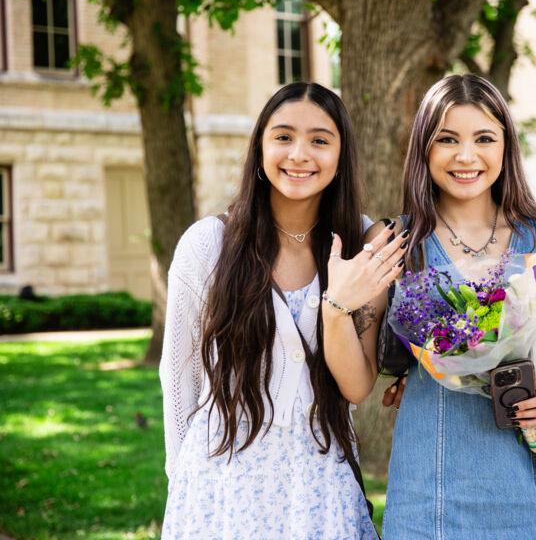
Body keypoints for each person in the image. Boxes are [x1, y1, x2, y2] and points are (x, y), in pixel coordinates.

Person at [159, 82, 406, 539]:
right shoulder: (207, 245)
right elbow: (181, 378)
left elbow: (356, 386)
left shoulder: (365, 244)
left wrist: (336, 306)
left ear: (341, 154)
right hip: (222, 483)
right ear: (260, 148)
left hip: (318, 482)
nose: (299, 154)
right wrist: (185, 485)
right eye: (283, 136)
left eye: (320, 140)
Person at [380, 74, 536, 539]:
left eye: (484, 138)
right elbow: (370, 362)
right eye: (447, 139)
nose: (466, 156)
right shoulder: (394, 244)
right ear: (423, 150)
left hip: (526, 479)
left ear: (506, 147)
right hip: (429, 486)